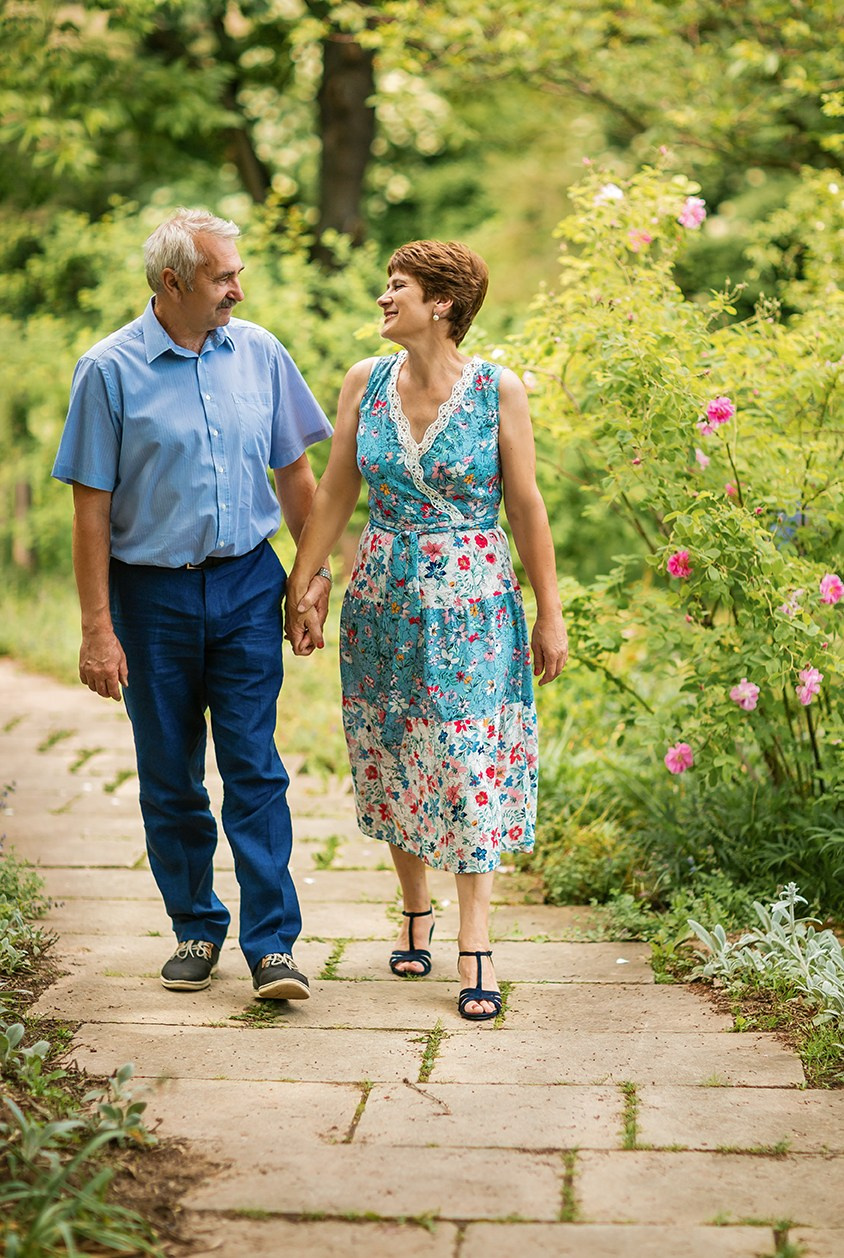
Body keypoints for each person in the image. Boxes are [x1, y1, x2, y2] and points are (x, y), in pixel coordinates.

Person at [52, 208, 333, 1001]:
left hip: (248, 582)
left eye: (237, 273)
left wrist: (311, 582)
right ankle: (196, 927)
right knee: (170, 775)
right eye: (223, 277)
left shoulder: (262, 354)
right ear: (172, 283)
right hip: (151, 598)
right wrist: (98, 629)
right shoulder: (107, 371)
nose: (237, 290)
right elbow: (91, 513)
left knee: (255, 767)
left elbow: (298, 479)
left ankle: (272, 944)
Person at [285, 240, 567, 1020]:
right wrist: (303, 581)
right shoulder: (362, 383)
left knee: (467, 756)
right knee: (393, 748)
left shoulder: (495, 389)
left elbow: (527, 506)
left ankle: (474, 940)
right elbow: (336, 493)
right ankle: (415, 910)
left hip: (477, 611)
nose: (384, 298)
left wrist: (551, 608)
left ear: (441, 303)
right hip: (382, 603)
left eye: (397, 286)